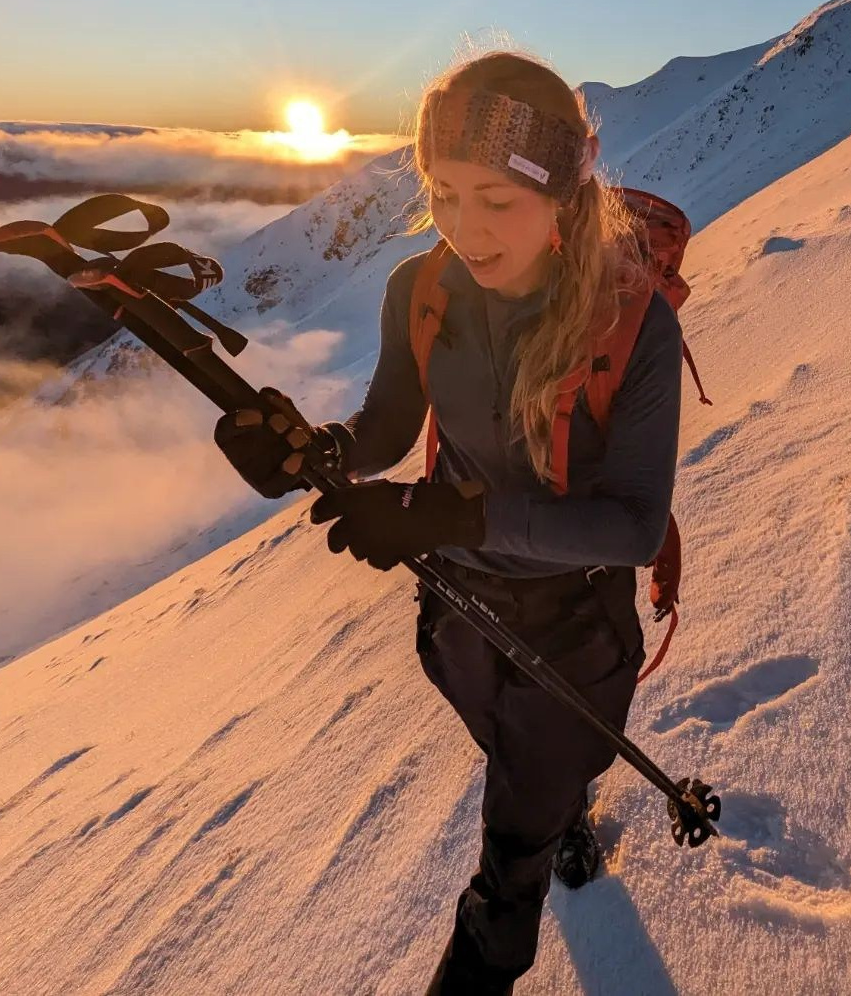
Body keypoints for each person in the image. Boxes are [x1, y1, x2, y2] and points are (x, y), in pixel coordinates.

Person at [214, 51, 684, 994]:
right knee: (512, 753)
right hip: (460, 612)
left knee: (509, 861)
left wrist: (456, 516)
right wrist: (318, 449)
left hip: (575, 622)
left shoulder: (631, 324)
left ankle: (518, 887)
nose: (465, 228)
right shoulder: (420, 290)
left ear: (562, 195)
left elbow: (632, 528)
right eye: (443, 194)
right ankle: (561, 810)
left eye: (496, 200)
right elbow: (389, 424)